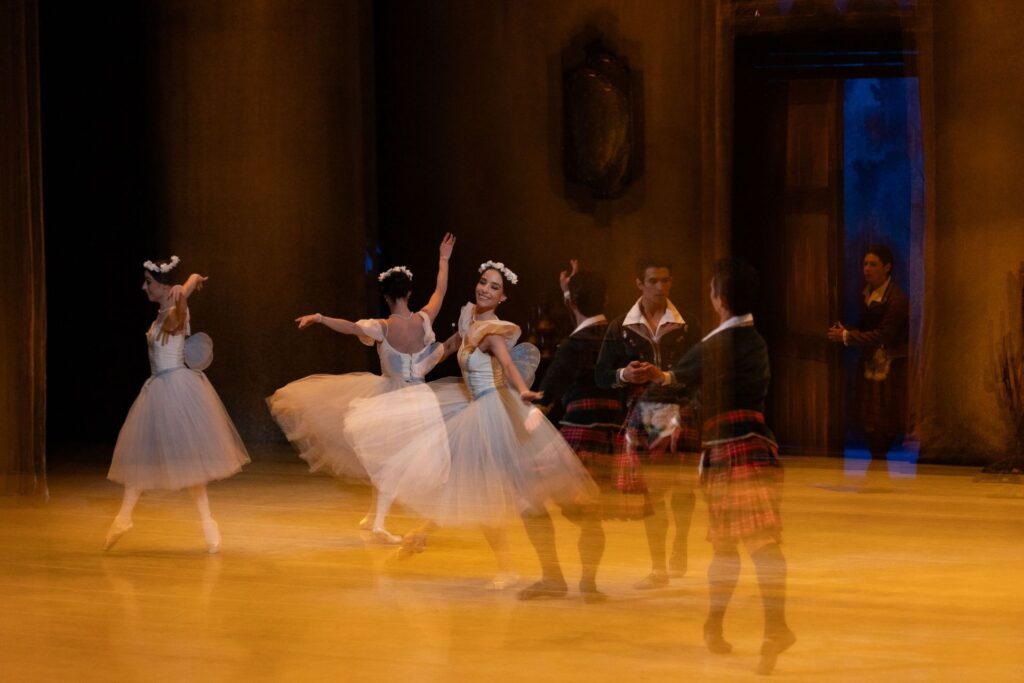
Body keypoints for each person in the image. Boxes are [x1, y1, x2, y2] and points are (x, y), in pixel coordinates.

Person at [344, 261, 598, 590]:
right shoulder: (470, 319)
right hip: (473, 406)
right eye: (483, 282)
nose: (485, 289)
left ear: (503, 297)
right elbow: (451, 345)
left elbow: (507, 364)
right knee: (472, 484)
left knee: (498, 490)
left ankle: (541, 563)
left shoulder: (495, 331)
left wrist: (523, 392)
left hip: (495, 411)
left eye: (494, 287)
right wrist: (424, 364)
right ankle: (455, 546)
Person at [268, 234, 456, 543]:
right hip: (419, 399)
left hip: (391, 395)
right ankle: (378, 521)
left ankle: (376, 517)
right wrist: (444, 259)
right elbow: (440, 291)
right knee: (392, 460)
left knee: (388, 459)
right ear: (408, 293)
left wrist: (319, 317)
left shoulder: (381, 327)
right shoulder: (424, 319)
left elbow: (350, 327)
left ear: (386, 297)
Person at [663, 257, 794, 676]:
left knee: (726, 545)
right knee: (763, 540)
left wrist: (653, 385)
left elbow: (676, 380)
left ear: (718, 298)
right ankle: (771, 626)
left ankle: (717, 625)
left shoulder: (715, 345)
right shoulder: (754, 340)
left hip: (725, 451)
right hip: (757, 445)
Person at [105, 256, 250, 553]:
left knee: (188, 466)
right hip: (156, 389)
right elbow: (186, 287)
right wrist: (191, 280)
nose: (144, 287)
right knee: (141, 456)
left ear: (165, 286)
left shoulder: (176, 313)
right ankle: (123, 517)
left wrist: (188, 284)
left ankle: (209, 526)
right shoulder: (161, 313)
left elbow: (180, 306)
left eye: (149, 282)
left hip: (176, 390)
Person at [518, 262, 626, 602]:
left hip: (578, 437)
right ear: (605, 298)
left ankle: (552, 577)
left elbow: (546, 399)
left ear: (574, 303)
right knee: (590, 516)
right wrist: (570, 290)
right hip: (610, 438)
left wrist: (523, 414)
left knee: (529, 500)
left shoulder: (572, 347)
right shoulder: (620, 338)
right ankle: (589, 585)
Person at [595, 257, 702, 589]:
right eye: (653, 281)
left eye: (666, 280)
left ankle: (680, 541)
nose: (661, 287)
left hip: (679, 411)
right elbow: (601, 374)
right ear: (638, 284)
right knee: (653, 492)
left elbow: (701, 371)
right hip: (644, 413)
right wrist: (623, 374)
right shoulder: (621, 327)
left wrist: (667, 377)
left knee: (681, 488)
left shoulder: (686, 325)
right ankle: (658, 567)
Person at [827, 245, 909, 476]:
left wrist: (847, 337)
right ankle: (877, 465)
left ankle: (881, 466)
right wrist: (847, 331)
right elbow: (868, 328)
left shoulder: (896, 299)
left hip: (889, 364)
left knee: (884, 415)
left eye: (873, 264)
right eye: (865, 264)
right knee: (870, 415)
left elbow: (884, 334)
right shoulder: (868, 293)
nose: (867, 269)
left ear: (887, 267)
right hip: (871, 362)